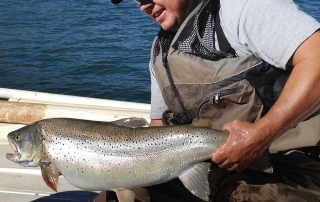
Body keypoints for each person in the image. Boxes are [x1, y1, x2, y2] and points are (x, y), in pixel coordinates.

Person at [110, 0, 320, 201]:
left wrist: (260, 135)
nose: (144, 6)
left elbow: (316, 58)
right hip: (209, 165)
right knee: (123, 192)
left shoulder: (242, 9)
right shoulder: (160, 50)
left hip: (293, 165)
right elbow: (159, 127)